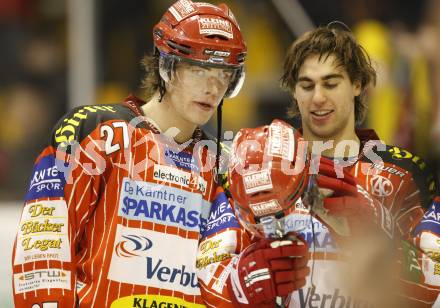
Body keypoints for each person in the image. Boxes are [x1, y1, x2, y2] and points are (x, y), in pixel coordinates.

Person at [11, 1, 310, 307]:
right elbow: (44, 244)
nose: (213, 87)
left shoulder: (225, 165)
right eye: (199, 70)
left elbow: (217, 276)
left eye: (224, 74)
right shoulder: (96, 129)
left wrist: (246, 282)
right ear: (166, 66)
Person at [278, 23, 440, 307]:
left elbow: (434, 279)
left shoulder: (404, 174)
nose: (318, 97)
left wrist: (380, 231)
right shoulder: (267, 168)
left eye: (331, 83)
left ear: (357, 85)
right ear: (294, 92)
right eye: (307, 85)